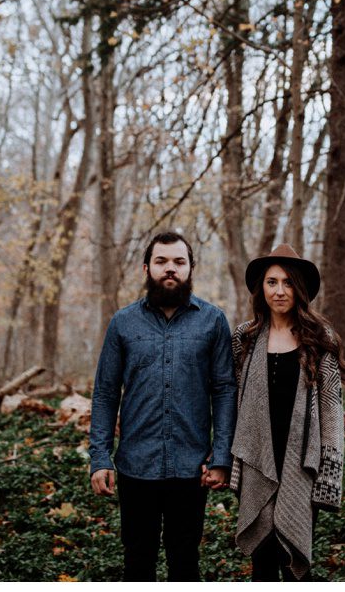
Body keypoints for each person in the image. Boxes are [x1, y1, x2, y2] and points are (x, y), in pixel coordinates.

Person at [88, 231, 237, 581]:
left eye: (179, 262)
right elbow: (106, 393)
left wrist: (221, 457)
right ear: (146, 268)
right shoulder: (122, 323)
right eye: (161, 261)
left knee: (185, 563)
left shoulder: (212, 321)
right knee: (137, 564)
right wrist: (99, 457)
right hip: (135, 465)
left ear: (190, 269)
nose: (170, 269)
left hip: (192, 468)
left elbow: (225, 391)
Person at [229, 243, 345, 581]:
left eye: (288, 282)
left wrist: (329, 476)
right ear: (260, 288)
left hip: (301, 467)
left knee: (295, 564)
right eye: (271, 282)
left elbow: (332, 410)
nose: (279, 291)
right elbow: (236, 401)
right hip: (257, 463)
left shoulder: (319, 338)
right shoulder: (245, 338)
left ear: (300, 288)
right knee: (262, 566)